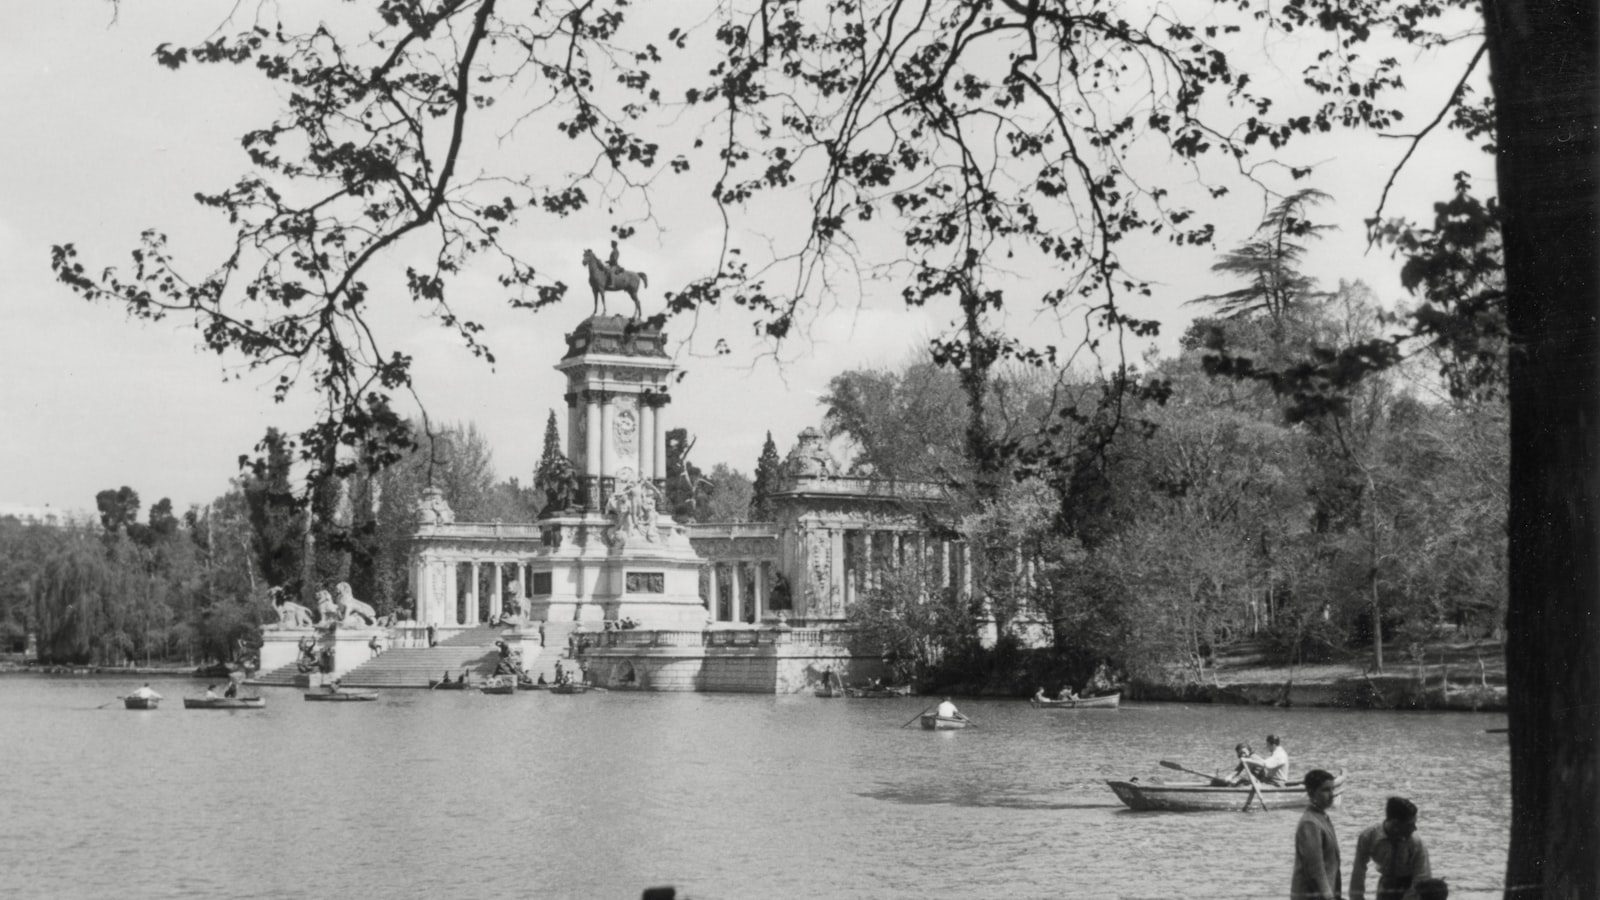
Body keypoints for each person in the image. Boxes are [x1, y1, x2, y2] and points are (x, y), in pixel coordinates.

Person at [1351, 797, 1432, 900]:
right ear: (1395, 823)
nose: (1414, 828)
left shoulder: (1416, 842)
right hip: (1386, 885)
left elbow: (1422, 878)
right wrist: (1357, 897)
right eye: (1410, 825)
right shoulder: (1368, 837)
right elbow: (1358, 871)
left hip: (1411, 885)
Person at [1292, 768, 1342, 900]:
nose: (1331, 794)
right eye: (1325, 790)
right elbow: (1315, 869)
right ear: (1311, 793)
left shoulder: (1322, 818)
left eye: (1332, 789)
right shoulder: (1310, 823)